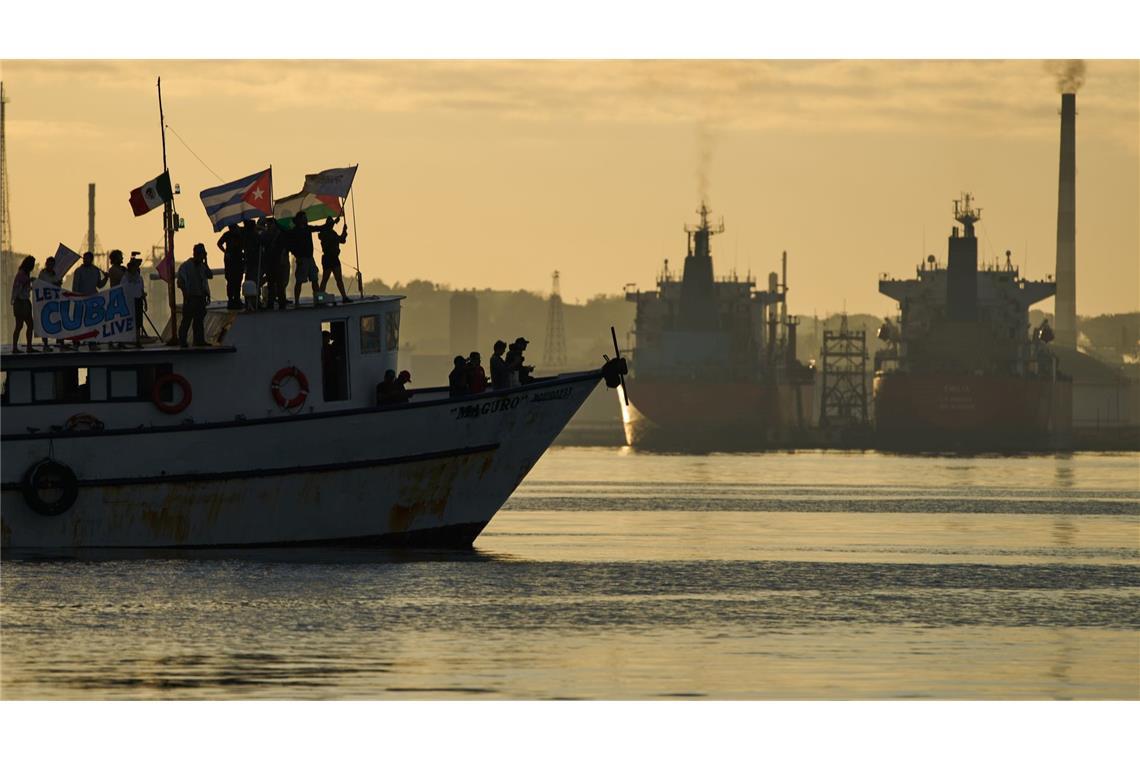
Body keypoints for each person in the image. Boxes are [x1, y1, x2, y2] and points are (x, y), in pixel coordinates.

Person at [176, 243, 213, 347]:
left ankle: (199, 340)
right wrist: (185, 294)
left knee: (199, 321)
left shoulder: (202, 266)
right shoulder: (186, 266)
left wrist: (206, 262)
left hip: (200, 297)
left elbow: (210, 275)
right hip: (190, 297)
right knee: (187, 320)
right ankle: (182, 341)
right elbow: (180, 282)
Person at [287, 212, 321, 306]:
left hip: (310, 259)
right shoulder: (295, 231)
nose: (306, 219)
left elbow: (319, 228)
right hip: (302, 260)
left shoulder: (308, 228)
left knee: (315, 280)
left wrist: (329, 224)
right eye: (304, 218)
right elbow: (291, 246)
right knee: (299, 281)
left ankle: (318, 299)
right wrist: (298, 256)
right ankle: (297, 301)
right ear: (300, 220)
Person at [318, 217, 352, 304]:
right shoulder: (325, 233)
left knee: (338, 279)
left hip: (333, 258)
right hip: (329, 258)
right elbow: (341, 240)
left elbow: (341, 240)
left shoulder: (331, 233)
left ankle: (344, 297)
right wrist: (343, 232)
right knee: (325, 279)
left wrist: (344, 231)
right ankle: (320, 299)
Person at [35, 256, 63, 352]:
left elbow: (59, 286)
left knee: (57, 321)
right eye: (49, 264)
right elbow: (40, 285)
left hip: (54, 302)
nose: (50, 266)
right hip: (45, 302)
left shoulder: (56, 275)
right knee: (45, 322)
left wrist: (58, 283)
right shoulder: (42, 274)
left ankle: (59, 341)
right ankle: (45, 343)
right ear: (46, 264)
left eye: (52, 264)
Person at [10, 255, 36, 353]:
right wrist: (29, 281)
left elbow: (25, 289)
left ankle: (27, 347)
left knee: (27, 325)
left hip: (24, 302)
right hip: (21, 302)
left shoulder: (25, 274)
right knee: (21, 325)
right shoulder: (21, 274)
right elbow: (19, 288)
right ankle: (16, 347)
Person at [217, 223, 245, 310]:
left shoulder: (239, 234)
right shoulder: (228, 235)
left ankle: (236, 299)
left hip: (237, 260)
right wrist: (226, 252)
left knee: (237, 281)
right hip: (231, 261)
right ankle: (232, 300)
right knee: (231, 281)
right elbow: (219, 243)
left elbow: (219, 243)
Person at [122, 256, 147, 347]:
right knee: (128, 322)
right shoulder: (125, 278)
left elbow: (141, 290)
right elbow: (122, 290)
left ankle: (137, 340)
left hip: (138, 301)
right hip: (129, 302)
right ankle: (125, 340)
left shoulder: (139, 278)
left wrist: (145, 301)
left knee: (138, 322)